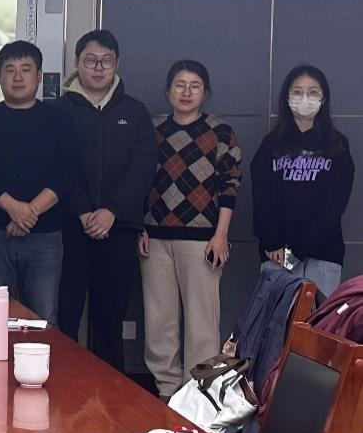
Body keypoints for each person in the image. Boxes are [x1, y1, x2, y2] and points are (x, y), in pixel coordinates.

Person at [55, 29, 156, 371]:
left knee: (111, 319)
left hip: (119, 229)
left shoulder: (135, 112)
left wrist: (112, 211)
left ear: (116, 64)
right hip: (70, 228)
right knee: (65, 314)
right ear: (76, 63)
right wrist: (83, 211)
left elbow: (142, 169)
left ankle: (109, 394)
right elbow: (58, 166)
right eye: (91, 61)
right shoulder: (59, 111)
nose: (98, 68)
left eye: (106, 61)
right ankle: (62, 388)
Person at [140, 60, 242, 398]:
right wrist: (140, 227)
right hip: (155, 238)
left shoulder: (221, 132)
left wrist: (221, 235)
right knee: (159, 321)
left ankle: (198, 396)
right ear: (168, 90)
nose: (186, 92)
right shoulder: (152, 131)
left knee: (201, 322)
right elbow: (138, 183)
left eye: (194, 86)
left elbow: (230, 186)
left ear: (205, 93)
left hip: (202, 240)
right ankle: (166, 393)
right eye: (179, 85)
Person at [0, 40, 73, 324]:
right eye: (9, 70)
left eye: (26, 69)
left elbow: (67, 173)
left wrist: (28, 213)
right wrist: (13, 208)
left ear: (39, 76)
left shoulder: (59, 119)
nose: (18, 77)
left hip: (45, 235)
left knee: (43, 318)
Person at [253, 65, 355, 296]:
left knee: (318, 318)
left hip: (323, 254)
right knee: (278, 318)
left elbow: (335, 204)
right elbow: (261, 198)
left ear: (323, 98)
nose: (304, 98)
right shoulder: (271, 145)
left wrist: (298, 251)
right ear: (286, 97)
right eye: (297, 92)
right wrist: (273, 242)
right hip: (277, 254)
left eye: (313, 92)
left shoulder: (337, 146)